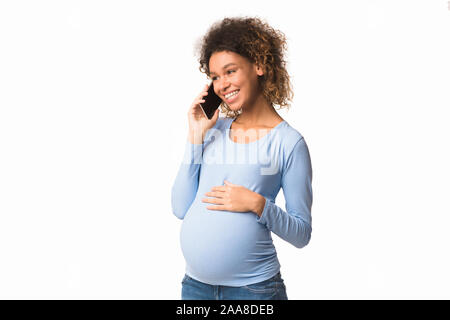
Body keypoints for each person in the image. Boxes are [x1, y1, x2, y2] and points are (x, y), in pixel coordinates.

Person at [171, 16, 313, 300]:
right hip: (195, 287)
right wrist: (195, 136)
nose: (222, 85)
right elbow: (179, 207)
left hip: (254, 291)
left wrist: (258, 204)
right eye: (214, 77)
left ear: (259, 65)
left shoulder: (288, 142)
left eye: (230, 71)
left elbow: (302, 234)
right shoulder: (213, 131)